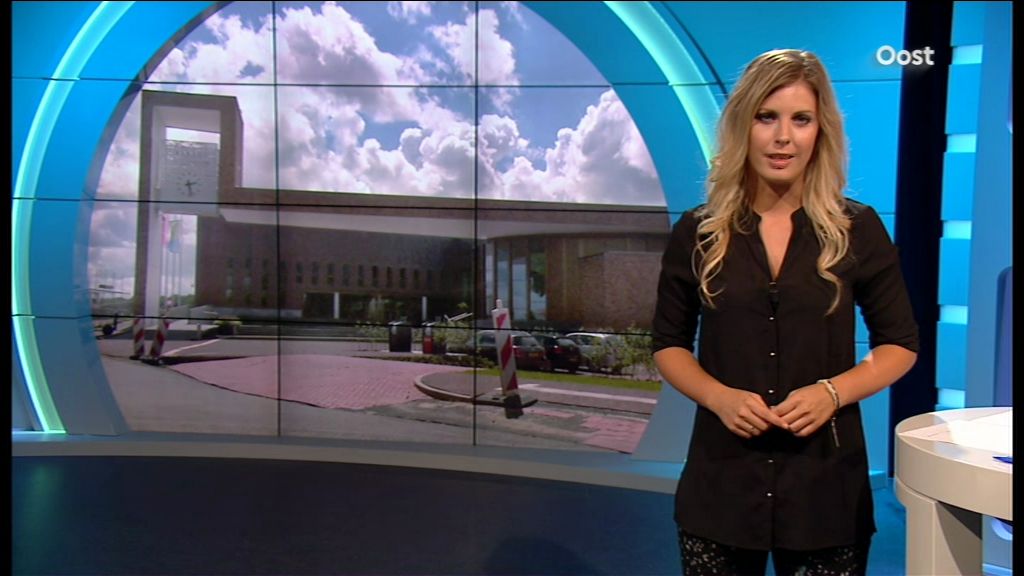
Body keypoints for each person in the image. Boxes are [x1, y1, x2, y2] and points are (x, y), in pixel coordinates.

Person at [651, 49, 919, 575]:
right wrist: (719, 397)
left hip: (825, 488)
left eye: (800, 119)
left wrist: (832, 392)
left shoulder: (857, 229)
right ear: (742, 126)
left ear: (821, 131)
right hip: (722, 485)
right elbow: (669, 344)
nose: (783, 138)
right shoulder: (698, 232)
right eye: (766, 117)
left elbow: (900, 344)